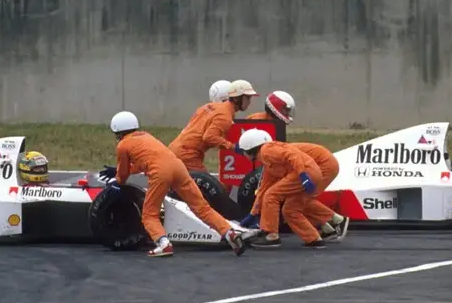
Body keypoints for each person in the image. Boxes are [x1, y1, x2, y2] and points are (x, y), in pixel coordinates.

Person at [101, 111, 245, 258]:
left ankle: (163, 243)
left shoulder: (123, 145)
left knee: (149, 215)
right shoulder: (146, 136)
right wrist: (120, 171)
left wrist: (117, 179)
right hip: (178, 167)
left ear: (117, 131)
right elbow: (145, 162)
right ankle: (229, 232)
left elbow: (123, 176)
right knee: (202, 207)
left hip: (160, 173)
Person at [236, 129, 325, 249]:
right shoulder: (268, 162)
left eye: (243, 152)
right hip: (311, 174)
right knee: (289, 210)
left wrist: (303, 175)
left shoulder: (266, 150)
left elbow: (292, 155)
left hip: (305, 174)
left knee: (271, 195)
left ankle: (271, 235)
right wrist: (253, 214)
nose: (243, 155)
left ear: (249, 148)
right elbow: (262, 189)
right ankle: (314, 239)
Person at [169, 79, 258, 172]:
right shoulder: (225, 116)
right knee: (205, 185)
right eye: (247, 98)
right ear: (236, 99)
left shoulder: (209, 106)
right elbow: (209, 137)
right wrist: (234, 147)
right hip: (187, 155)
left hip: (174, 148)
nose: (250, 101)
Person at [290, 141, 349, 241]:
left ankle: (338, 219)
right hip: (322, 163)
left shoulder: (277, 154)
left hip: (324, 165)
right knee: (295, 200)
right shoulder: (278, 150)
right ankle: (328, 229)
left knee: (299, 199)